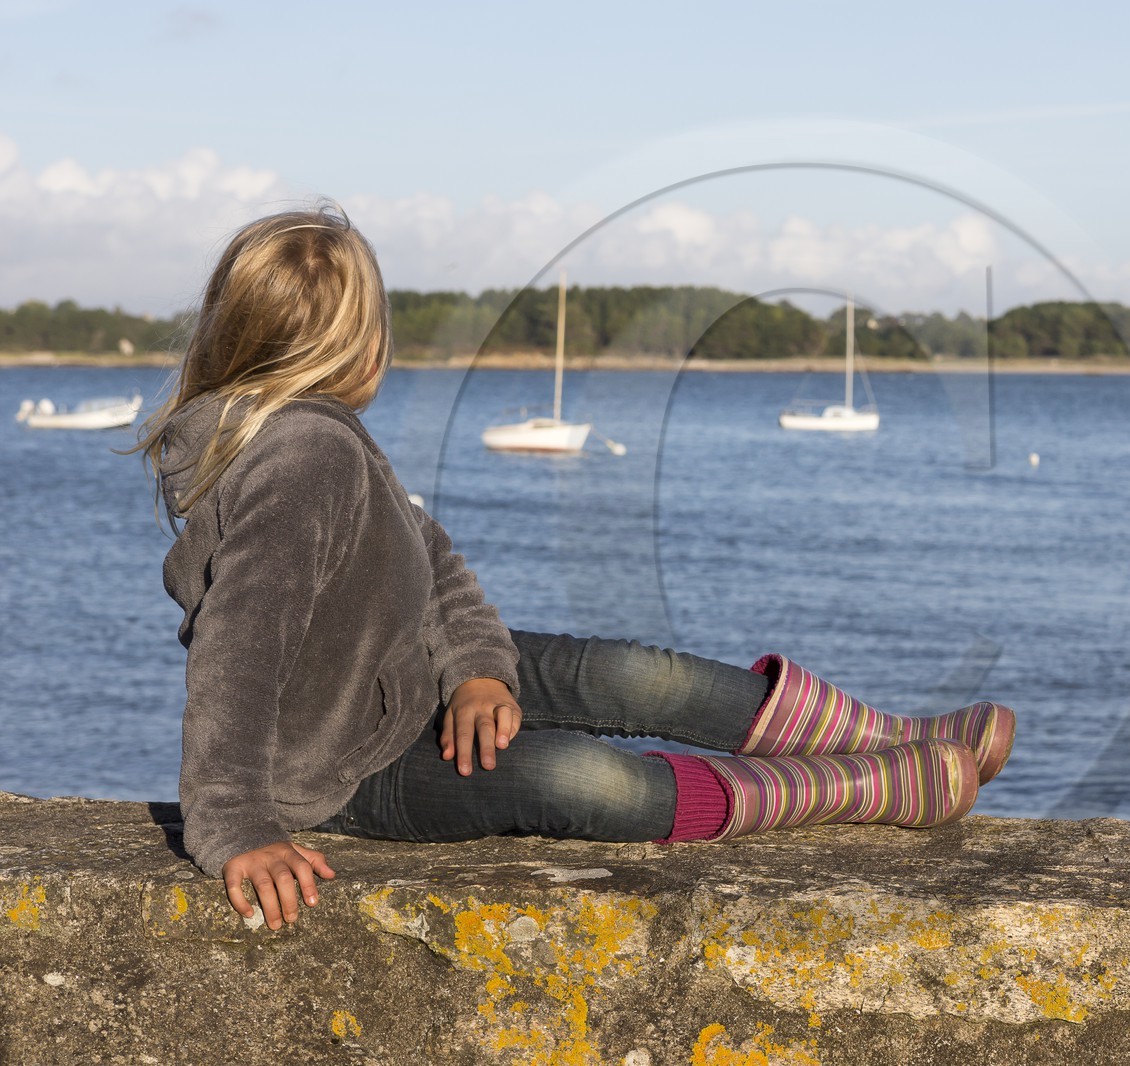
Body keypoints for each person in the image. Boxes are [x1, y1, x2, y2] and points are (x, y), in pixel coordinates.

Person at [135, 204, 1016, 932]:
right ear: (364, 350)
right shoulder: (303, 458)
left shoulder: (327, 438)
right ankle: (861, 783)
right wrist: (239, 823)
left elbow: (431, 559)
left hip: (417, 674)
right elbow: (238, 654)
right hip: (348, 767)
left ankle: (891, 735)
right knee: (581, 781)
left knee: (632, 675)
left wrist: (478, 669)